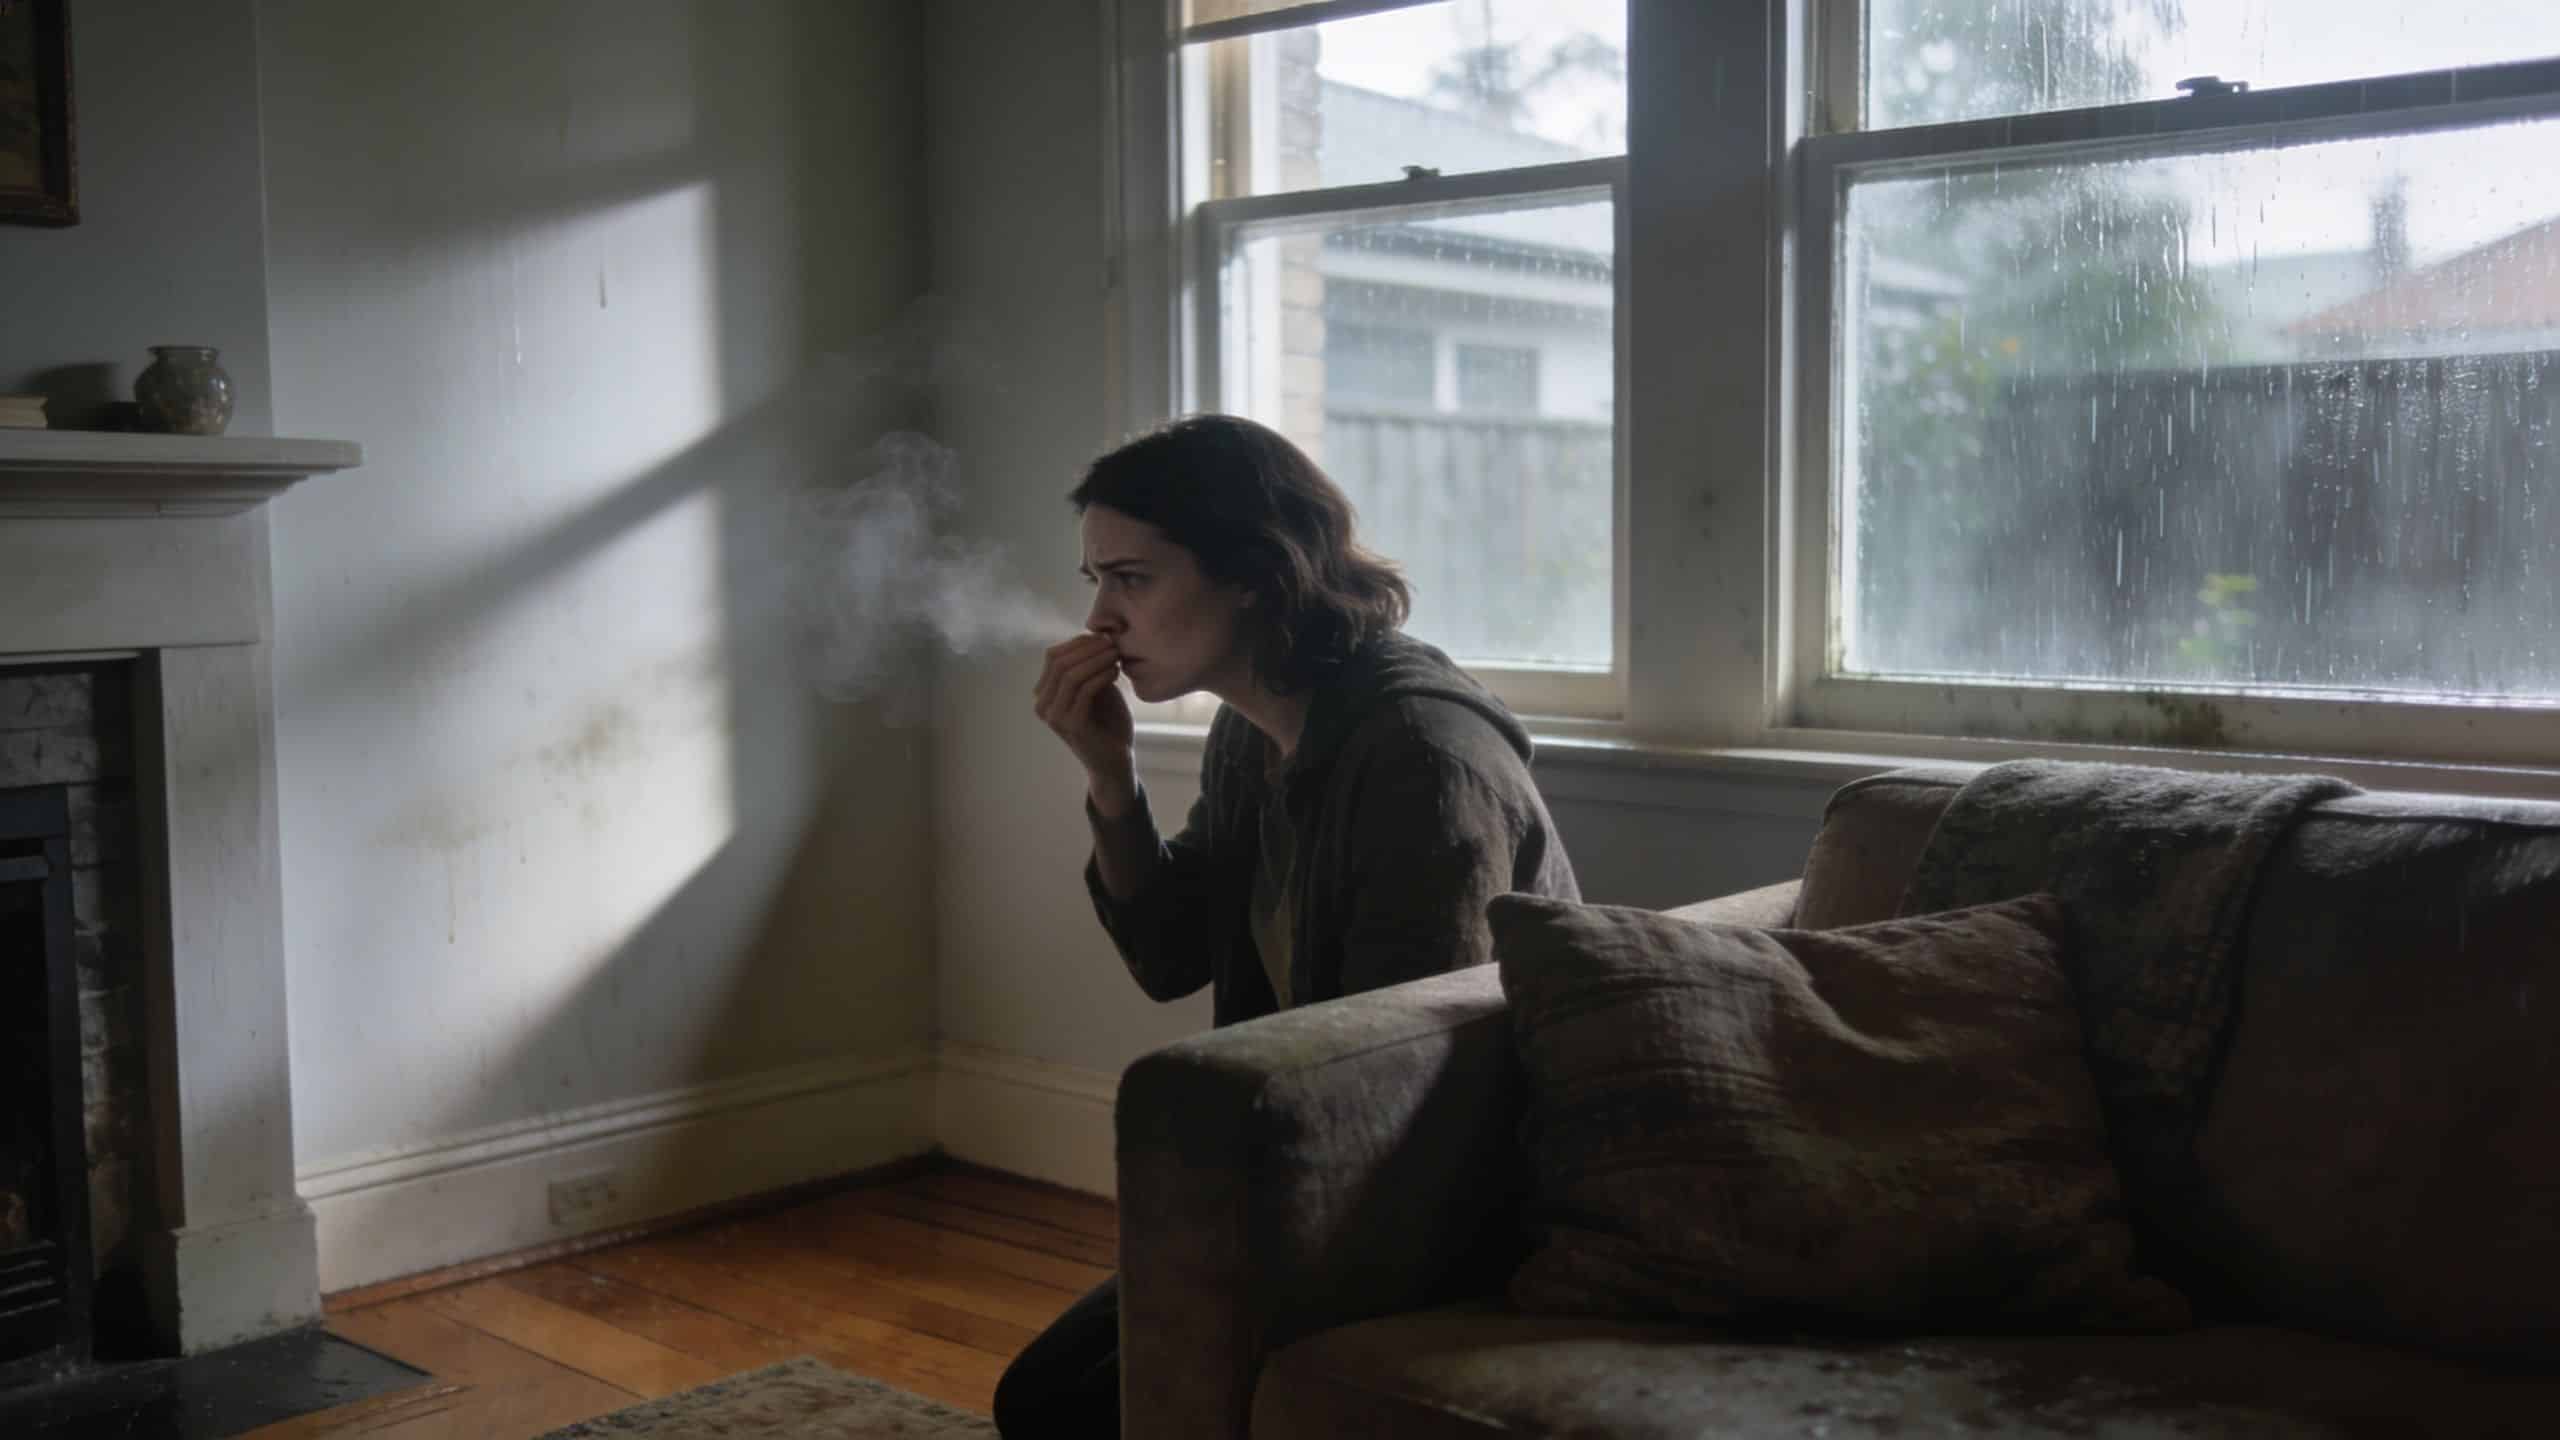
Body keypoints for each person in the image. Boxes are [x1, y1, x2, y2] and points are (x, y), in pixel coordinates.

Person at [996, 413, 1580, 1437]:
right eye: (1094, 580)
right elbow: (1170, 957)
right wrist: (1110, 779)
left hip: (1459, 1198)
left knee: (1071, 1412)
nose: (1098, 620)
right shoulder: (1248, 728)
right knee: (1041, 1397)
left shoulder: (1419, 760)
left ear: (1256, 575)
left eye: (1130, 579)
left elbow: (1407, 1090)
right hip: (1326, 1165)